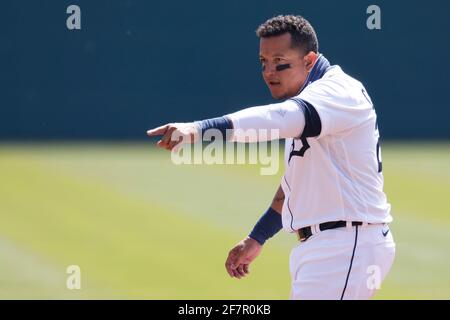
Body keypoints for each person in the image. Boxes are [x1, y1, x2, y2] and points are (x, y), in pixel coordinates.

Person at [147, 15, 395, 300]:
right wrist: (258, 237)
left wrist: (199, 129)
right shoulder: (313, 97)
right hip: (333, 246)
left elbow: (274, 118)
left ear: (309, 60)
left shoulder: (337, 92)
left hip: (345, 245)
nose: (269, 71)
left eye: (280, 62)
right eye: (263, 62)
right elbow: (295, 184)